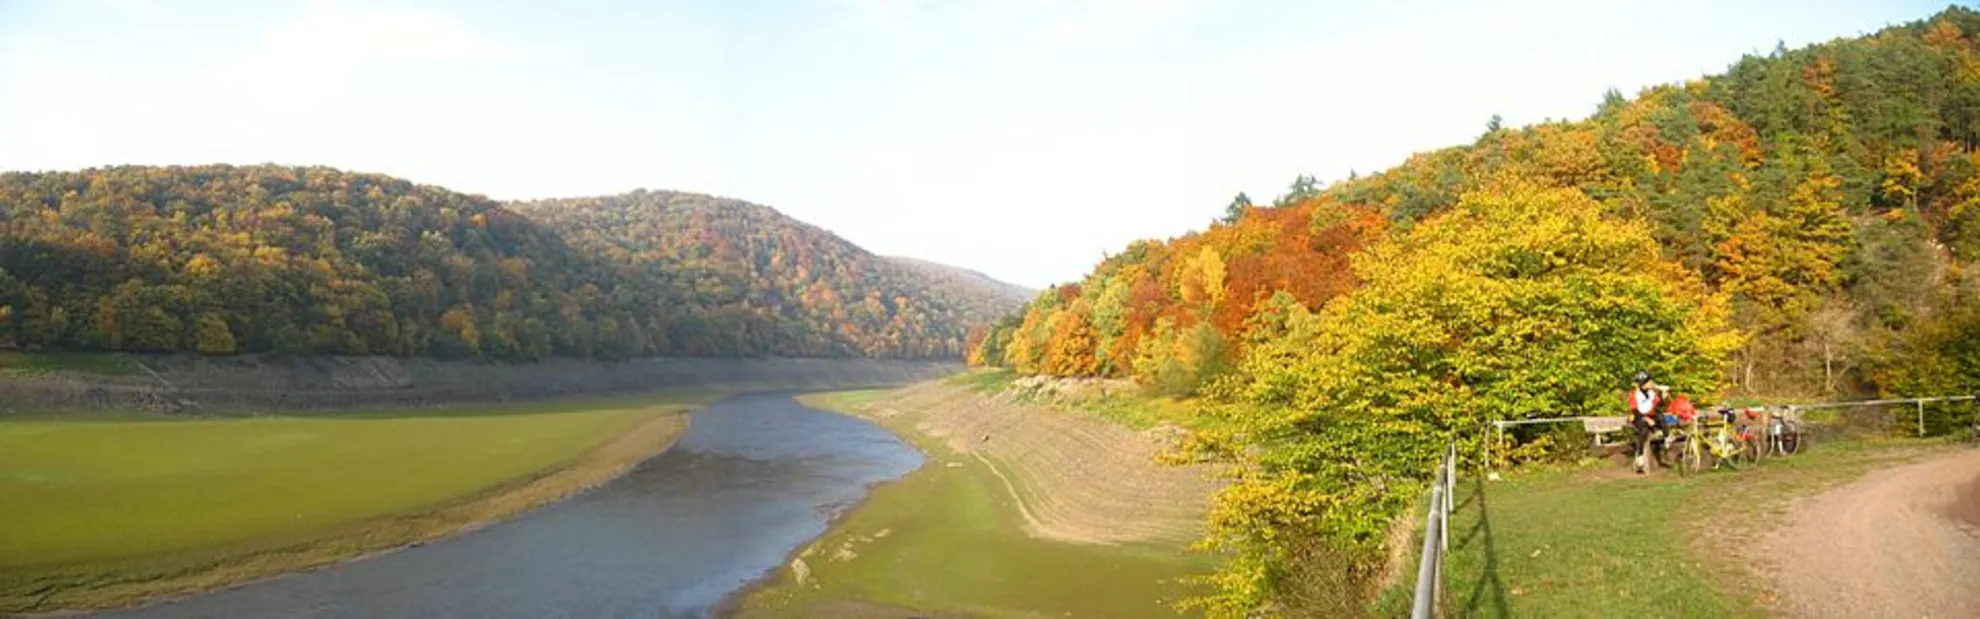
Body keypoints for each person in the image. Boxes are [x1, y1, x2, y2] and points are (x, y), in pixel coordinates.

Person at [1624, 370, 1669, 474]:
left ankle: (1666, 438)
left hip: (1651, 415)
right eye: (1649, 382)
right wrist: (1647, 419)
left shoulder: (1651, 393)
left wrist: (1664, 397)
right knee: (1643, 430)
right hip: (1639, 417)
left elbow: (1659, 405)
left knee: (1661, 417)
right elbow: (1635, 411)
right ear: (1643, 384)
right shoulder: (1635, 395)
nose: (1652, 383)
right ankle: (1640, 456)